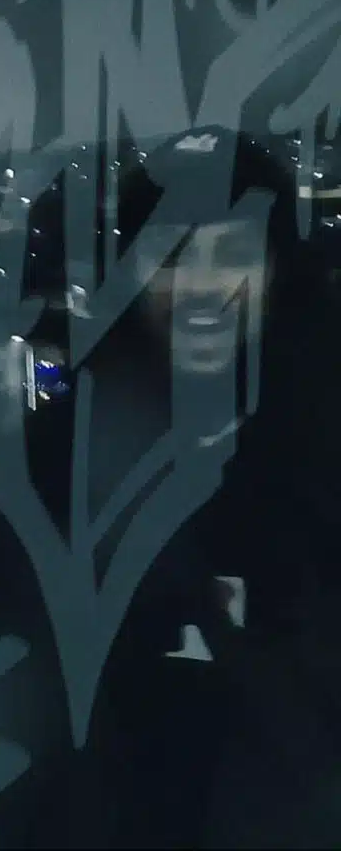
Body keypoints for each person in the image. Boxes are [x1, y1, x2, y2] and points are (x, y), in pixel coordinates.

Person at [60, 126, 341, 847]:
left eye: (234, 254)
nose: (204, 286)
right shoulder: (84, 442)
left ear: (278, 267)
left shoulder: (317, 431)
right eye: (173, 256)